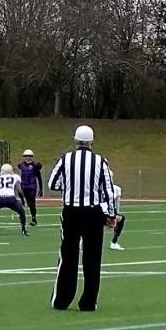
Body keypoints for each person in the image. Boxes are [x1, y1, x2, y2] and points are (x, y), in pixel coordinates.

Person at [47, 124, 115, 312]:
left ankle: (61, 301)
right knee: (93, 258)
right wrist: (111, 214)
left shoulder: (66, 159)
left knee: (68, 256)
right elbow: (108, 190)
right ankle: (88, 302)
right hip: (93, 213)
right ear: (92, 141)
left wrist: (69, 187)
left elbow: (52, 183)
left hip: (71, 212)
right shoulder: (100, 161)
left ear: (75, 140)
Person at [0, 164, 30, 236]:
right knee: (21, 212)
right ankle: (23, 230)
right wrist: (22, 200)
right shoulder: (15, 177)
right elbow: (19, 191)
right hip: (10, 198)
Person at [17, 149, 43, 227]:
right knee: (27, 202)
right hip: (24, 187)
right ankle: (23, 215)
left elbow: (39, 177)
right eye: (26, 156)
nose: (28, 157)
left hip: (32, 186)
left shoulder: (35, 166)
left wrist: (41, 189)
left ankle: (34, 218)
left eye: (30, 156)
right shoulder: (21, 165)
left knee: (32, 203)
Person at [106, 183, 127, 251]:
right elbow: (117, 203)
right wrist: (115, 214)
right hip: (105, 214)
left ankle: (81, 241)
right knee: (121, 219)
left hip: (96, 212)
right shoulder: (115, 189)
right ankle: (114, 242)